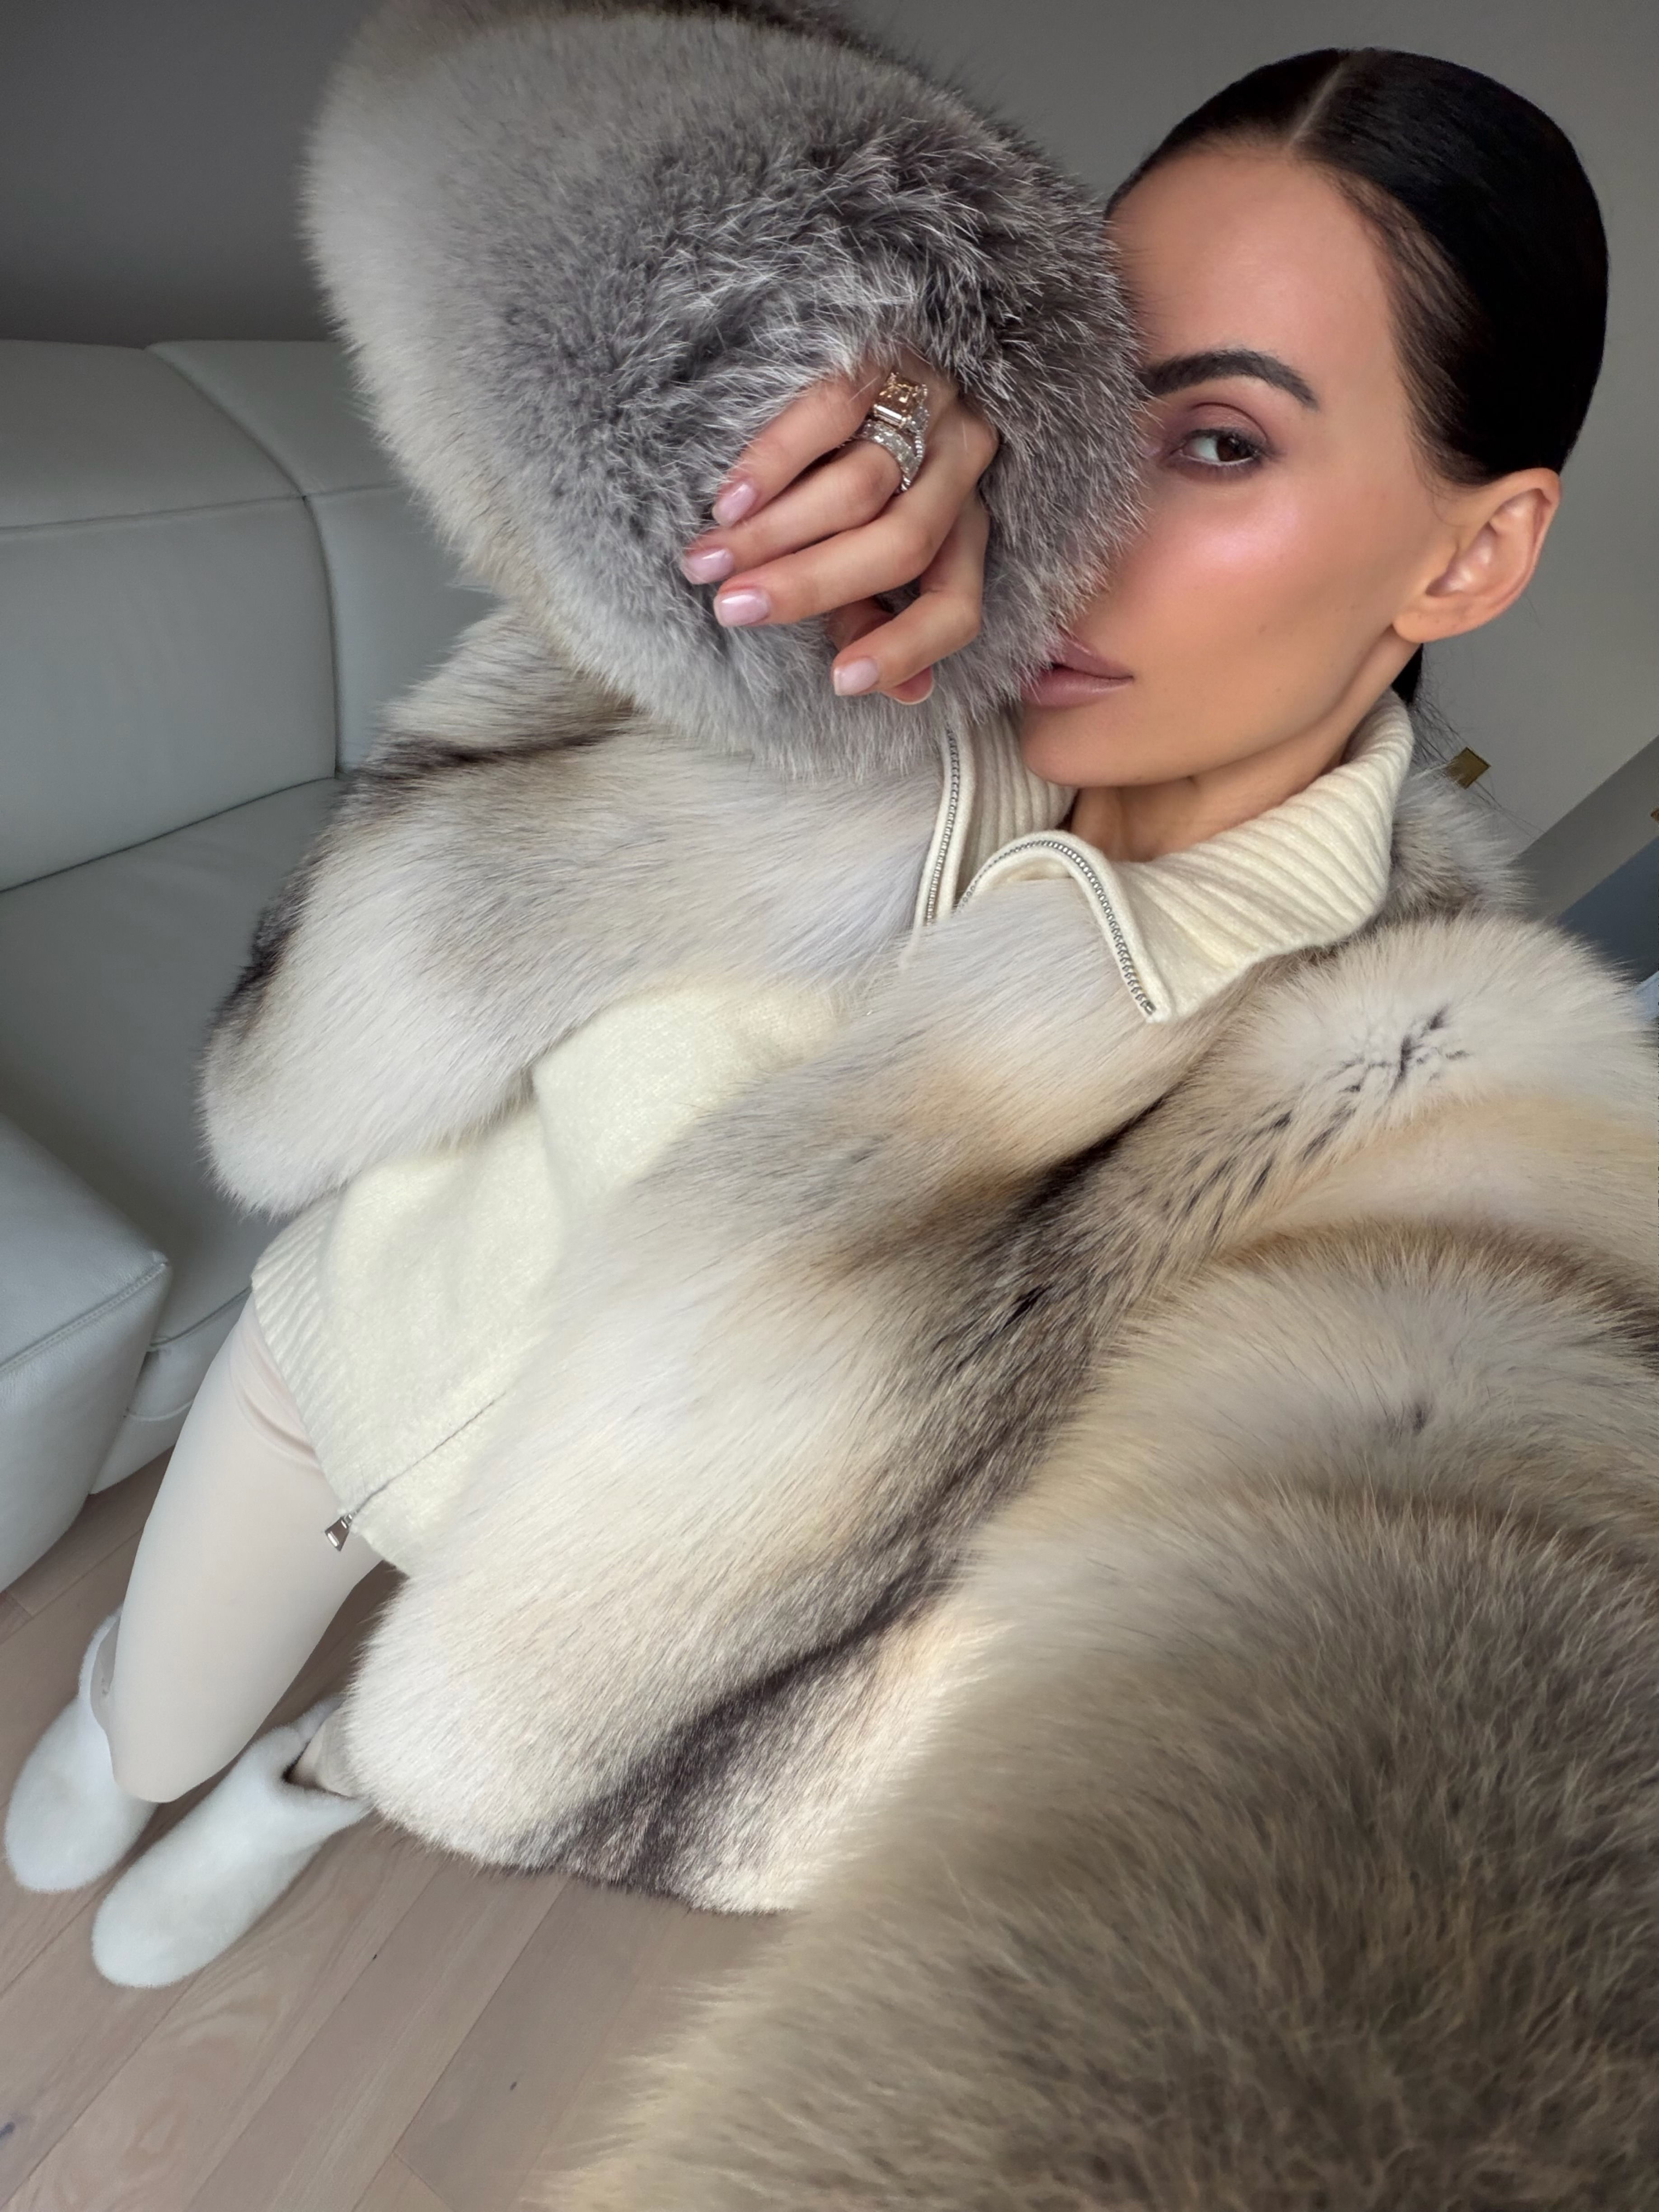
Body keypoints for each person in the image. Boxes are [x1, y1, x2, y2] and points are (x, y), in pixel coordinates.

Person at [4, 0, 1640, 2028]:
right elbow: (456, 122)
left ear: (1473, 554)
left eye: (1219, 441)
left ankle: (300, 1793)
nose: (1081, 523)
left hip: (592, 1639)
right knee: (146, 1715)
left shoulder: (1405, 1127)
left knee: (388, 1754)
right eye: (1076, 396)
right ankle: (140, 1731)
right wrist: (857, 363)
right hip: (338, 1354)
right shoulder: (823, 611)